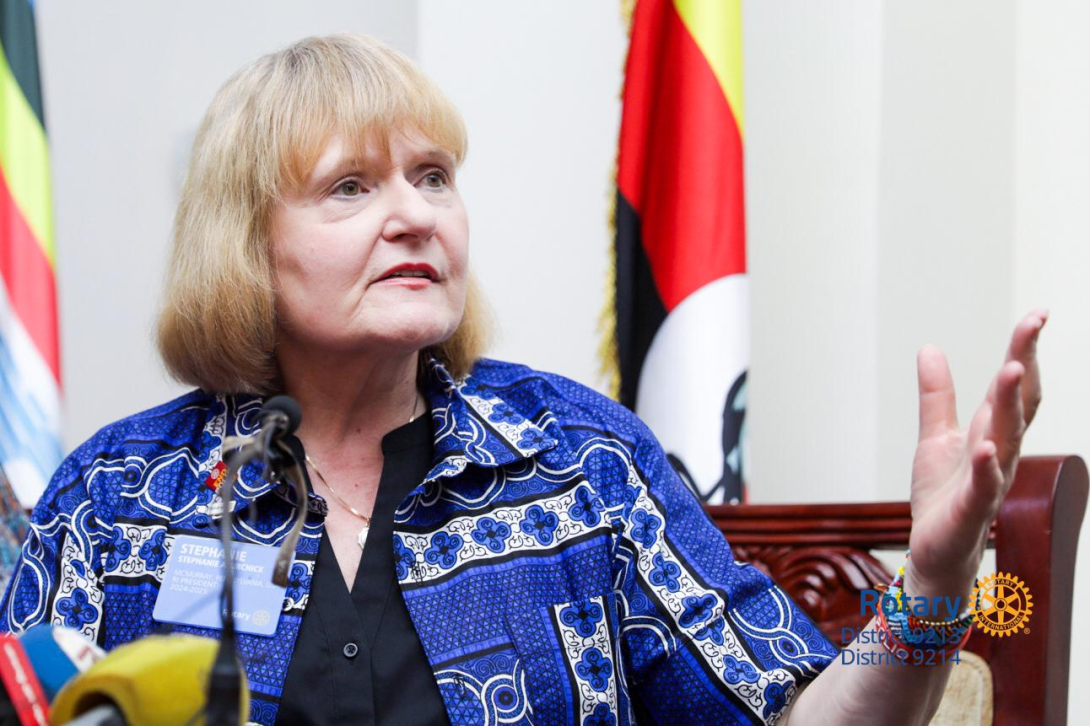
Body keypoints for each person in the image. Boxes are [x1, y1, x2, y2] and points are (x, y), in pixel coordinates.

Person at [0, 34, 1045, 726]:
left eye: (434, 177)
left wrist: (936, 580)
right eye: (351, 187)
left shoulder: (580, 460)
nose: (415, 214)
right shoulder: (117, 499)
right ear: (243, 245)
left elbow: (794, 715)